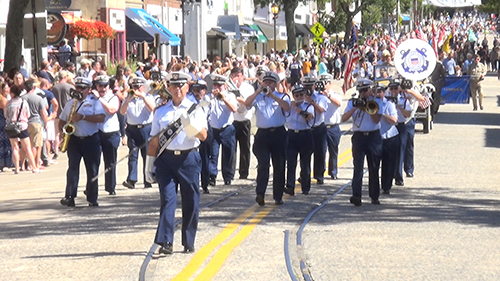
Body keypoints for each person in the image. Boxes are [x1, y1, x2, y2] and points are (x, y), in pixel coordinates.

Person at [145, 72, 207, 255]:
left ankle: (188, 240)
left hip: (189, 159)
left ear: (187, 87)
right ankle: (165, 241)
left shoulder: (196, 108)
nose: (178, 89)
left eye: (181, 86)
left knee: (191, 202)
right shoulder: (161, 111)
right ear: (169, 88)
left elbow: (203, 136)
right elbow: (154, 140)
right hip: (166, 160)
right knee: (167, 199)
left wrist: (189, 126)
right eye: (174, 86)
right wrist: (149, 166)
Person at [243, 71, 291, 206]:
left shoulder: (283, 96)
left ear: (276, 84)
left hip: (279, 134)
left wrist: (273, 96)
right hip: (263, 135)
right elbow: (247, 104)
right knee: (263, 164)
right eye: (265, 82)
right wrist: (258, 91)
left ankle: (278, 195)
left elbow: (287, 107)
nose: (268, 84)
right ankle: (260, 193)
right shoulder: (258, 97)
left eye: (270, 82)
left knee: (279, 165)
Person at [59, 77, 105, 207]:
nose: (78, 90)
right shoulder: (70, 103)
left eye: (82, 88)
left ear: (89, 90)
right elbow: (62, 120)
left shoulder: (94, 102)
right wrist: (63, 131)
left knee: (92, 170)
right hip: (74, 139)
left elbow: (101, 118)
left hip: (91, 139)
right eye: (77, 87)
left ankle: (92, 197)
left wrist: (83, 117)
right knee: (72, 169)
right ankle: (69, 196)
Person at [341, 79, 383, 206]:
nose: (362, 93)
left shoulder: (377, 102)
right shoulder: (352, 102)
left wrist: (366, 107)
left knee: (374, 167)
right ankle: (356, 195)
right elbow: (343, 118)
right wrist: (355, 107)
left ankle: (374, 196)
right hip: (359, 137)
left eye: (365, 90)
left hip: (373, 137)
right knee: (357, 167)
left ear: (370, 90)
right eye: (360, 91)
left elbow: (376, 120)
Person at [119, 76, 155, 189]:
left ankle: (147, 180)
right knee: (132, 154)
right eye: (134, 87)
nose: (135, 89)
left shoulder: (148, 97)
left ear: (143, 88)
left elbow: (152, 109)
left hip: (146, 128)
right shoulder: (128, 99)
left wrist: (143, 97)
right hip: (132, 129)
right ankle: (132, 179)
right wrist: (128, 100)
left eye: (138, 87)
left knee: (146, 155)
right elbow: (122, 111)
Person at [283, 84, 314, 196]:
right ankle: (290, 186)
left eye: (301, 94)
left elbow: (309, 116)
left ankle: (305, 187)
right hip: (291, 134)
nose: (299, 97)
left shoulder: (308, 106)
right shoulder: (289, 106)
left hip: (305, 134)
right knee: (291, 162)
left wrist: (296, 108)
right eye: (296, 95)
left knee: (305, 163)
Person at [391, 79, 423, 186]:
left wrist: (409, 91)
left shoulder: (413, 88)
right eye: (393, 88)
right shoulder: (393, 94)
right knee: (398, 149)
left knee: (409, 146)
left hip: (409, 121)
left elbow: (422, 99)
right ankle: (396, 174)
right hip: (396, 123)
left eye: (396, 88)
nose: (394, 90)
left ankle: (409, 169)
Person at [208, 74, 237, 185]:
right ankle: (212, 176)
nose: (217, 87)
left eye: (220, 85)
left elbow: (234, 109)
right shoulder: (210, 97)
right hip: (214, 129)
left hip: (227, 128)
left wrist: (223, 98)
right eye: (215, 85)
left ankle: (228, 176)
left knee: (228, 154)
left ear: (225, 86)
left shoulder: (230, 96)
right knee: (213, 154)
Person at [95, 75, 120, 195]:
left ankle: (110, 187)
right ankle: (92, 188)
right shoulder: (91, 98)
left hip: (111, 133)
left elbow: (111, 110)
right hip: (97, 132)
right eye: (100, 85)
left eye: (105, 86)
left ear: (108, 86)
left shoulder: (113, 97)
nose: (102, 88)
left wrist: (99, 99)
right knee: (94, 162)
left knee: (110, 161)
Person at [4, 85, 37, 174]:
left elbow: (6, 115)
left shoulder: (9, 103)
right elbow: (28, 114)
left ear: (13, 93)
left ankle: (17, 168)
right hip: (23, 126)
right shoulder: (23, 102)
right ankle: (33, 167)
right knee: (27, 147)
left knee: (14, 148)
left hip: (12, 127)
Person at [302, 76, 328, 185]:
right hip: (306, 128)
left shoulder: (320, 97)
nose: (307, 88)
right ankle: (304, 175)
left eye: (309, 86)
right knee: (305, 153)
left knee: (320, 152)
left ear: (314, 86)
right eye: (305, 86)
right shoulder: (300, 96)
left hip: (318, 127)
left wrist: (312, 102)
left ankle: (319, 175)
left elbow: (321, 110)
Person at [187, 80, 212, 193]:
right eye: (195, 90)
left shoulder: (207, 100)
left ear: (204, 91)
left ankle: (205, 183)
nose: (196, 93)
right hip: (192, 129)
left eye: (199, 90)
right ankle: (194, 182)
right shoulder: (189, 101)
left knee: (205, 157)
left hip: (205, 128)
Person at [230, 67, 254, 180]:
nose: (236, 78)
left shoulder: (248, 88)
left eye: (238, 75)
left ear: (243, 76)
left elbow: (249, 103)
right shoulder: (229, 87)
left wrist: (240, 98)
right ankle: (230, 172)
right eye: (234, 75)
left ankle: (244, 172)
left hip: (244, 119)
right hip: (233, 120)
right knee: (231, 148)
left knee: (245, 148)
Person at [22, 78, 49, 172]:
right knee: (35, 145)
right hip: (36, 122)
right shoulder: (39, 98)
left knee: (26, 145)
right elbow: (43, 113)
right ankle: (32, 164)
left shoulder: (22, 98)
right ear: (33, 87)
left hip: (25, 123)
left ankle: (26, 164)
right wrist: (46, 124)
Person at [320, 74, 342, 179]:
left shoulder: (335, 94)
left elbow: (338, 103)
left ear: (330, 84)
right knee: (321, 151)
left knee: (333, 151)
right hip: (322, 126)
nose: (324, 85)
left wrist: (328, 95)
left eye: (326, 83)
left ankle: (333, 172)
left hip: (333, 127)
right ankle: (320, 172)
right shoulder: (318, 95)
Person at [378, 85, 399, 194]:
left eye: (380, 91)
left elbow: (394, 120)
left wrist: (382, 114)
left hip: (390, 137)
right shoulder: (372, 103)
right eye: (376, 92)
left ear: (384, 92)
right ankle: (377, 186)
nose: (378, 94)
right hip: (377, 137)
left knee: (389, 163)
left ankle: (387, 186)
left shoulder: (389, 104)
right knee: (377, 164)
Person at [0, 81, 13, 171]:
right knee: (6, 143)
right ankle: (7, 163)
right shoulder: (4, 100)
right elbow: (7, 113)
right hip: (4, 121)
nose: (7, 89)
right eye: (5, 88)